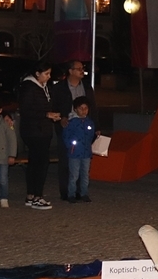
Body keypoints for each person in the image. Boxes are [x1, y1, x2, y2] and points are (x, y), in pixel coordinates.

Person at [52, 60, 99, 200]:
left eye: (82, 68)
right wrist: (61, 118)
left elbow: (93, 107)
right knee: (66, 162)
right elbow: (54, 106)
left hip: (83, 128)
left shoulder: (86, 87)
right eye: (78, 68)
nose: (82, 71)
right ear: (70, 71)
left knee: (83, 165)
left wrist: (96, 127)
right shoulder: (60, 88)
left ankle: (81, 191)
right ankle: (67, 192)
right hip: (68, 128)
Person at [19, 62, 60, 210]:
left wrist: (51, 115)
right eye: (46, 74)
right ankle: (37, 196)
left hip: (42, 130)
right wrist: (46, 114)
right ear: (37, 73)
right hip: (34, 131)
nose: (49, 77)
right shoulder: (29, 87)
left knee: (35, 162)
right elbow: (25, 110)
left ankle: (31, 195)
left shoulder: (44, 87)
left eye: (50, 73)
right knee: (40, 163)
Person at [63, 96, 96, 203]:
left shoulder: (89, 122)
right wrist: (71, 146)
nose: (83, 110)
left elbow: (91, 135)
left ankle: (84, 193)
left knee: (85, 174)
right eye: (81, 108)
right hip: (75, 153)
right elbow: (66, 136)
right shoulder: (72, 122)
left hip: (86, 153)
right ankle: (71, 194)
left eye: (85, 108)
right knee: (74, 175)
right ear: (75, 109)